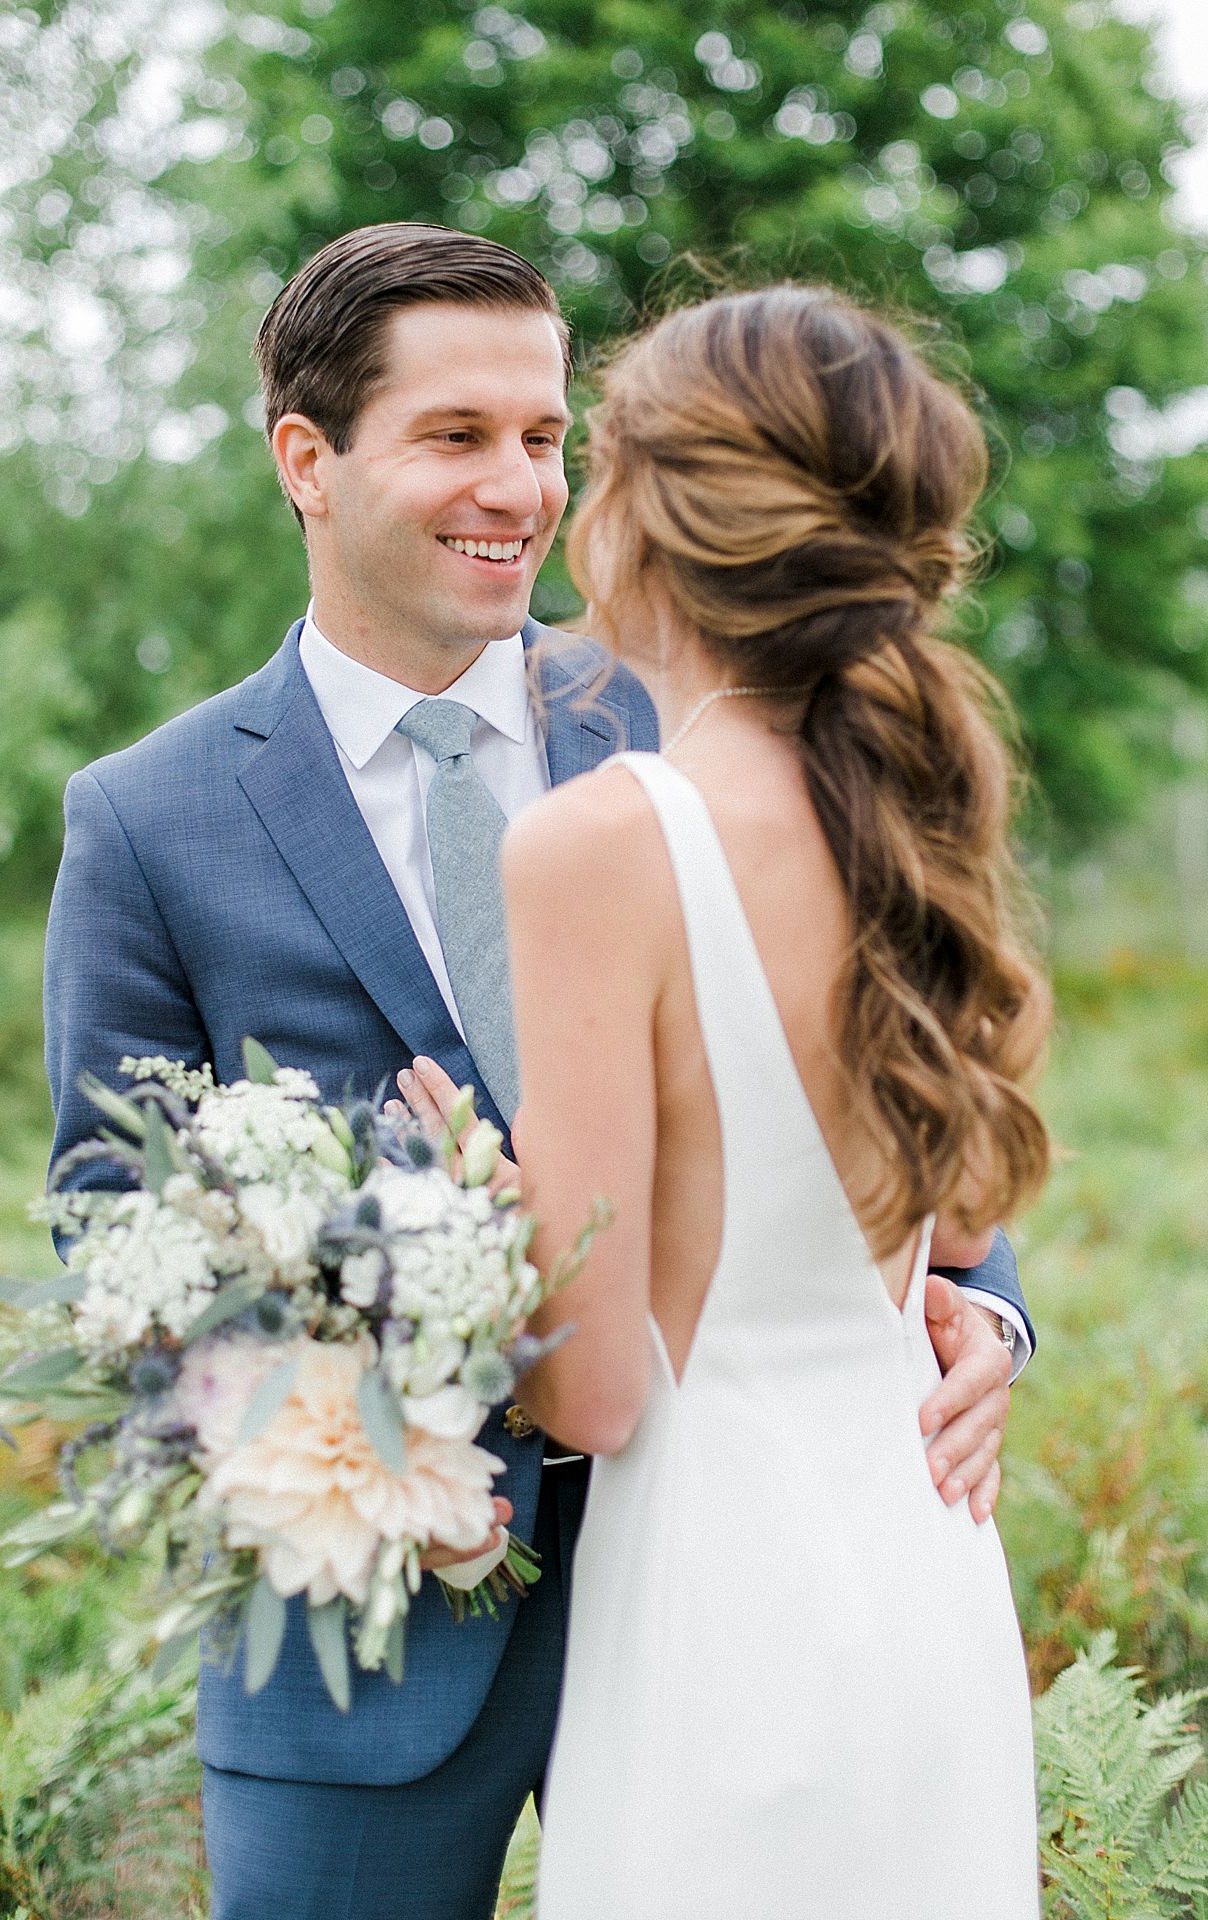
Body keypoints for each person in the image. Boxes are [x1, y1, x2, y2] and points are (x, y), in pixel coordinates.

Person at [43, 229, 1035, 1920]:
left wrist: (981, 1313)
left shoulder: (715, 731)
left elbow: (898, 1073)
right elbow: (111, 1231)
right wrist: (352, 1425)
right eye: (456, 436)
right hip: (373, 1649)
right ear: (307, 456)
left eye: (547, 437)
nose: (518, 485)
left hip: (738, 1605)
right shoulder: (150, 817)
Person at [505, 285, 1049, 1916]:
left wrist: (462, 1208)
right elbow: (958, 1229)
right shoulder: (921, 801)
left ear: (649, 518)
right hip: (928, 1565)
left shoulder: (604, 843)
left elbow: (590, 1396)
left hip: (725, 1607)